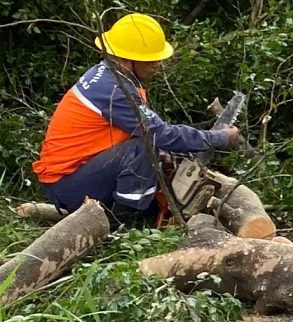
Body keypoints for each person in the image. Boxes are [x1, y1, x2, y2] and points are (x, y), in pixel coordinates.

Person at [33, 14, 239, 225]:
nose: (157, 64)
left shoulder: (113, 76)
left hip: (78, 174)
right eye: (150, 59)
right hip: (67, 185)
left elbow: (130, 131)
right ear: (127, 58)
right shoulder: (114, 90)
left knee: (152, 155)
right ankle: (120, 226)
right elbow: (160, 134)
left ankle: (138, 217)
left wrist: (162, 154)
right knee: (142, 148)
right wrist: (218, 138)